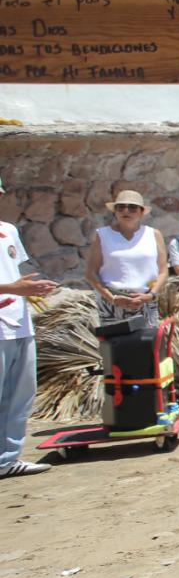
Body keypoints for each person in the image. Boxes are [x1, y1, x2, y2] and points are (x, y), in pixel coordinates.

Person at [0, 176, 59, 479]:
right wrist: (13, 287)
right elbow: (12, 282)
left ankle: (8, 458)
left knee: (21, 393)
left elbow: (16, 273)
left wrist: (31, 288)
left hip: (19, 322)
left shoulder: (8, 231)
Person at [85, 190, 167, 327]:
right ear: (115, 212)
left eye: (132, 207)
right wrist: (112, 298)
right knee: (114, 347)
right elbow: (91, 273)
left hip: (145, 301)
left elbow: (163, 271)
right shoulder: (102, 235)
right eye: (120, 207)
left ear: (141, 212)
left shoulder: (153, 235)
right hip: (112, 302)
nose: (126, 211)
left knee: (147, 346)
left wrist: (151, 295)